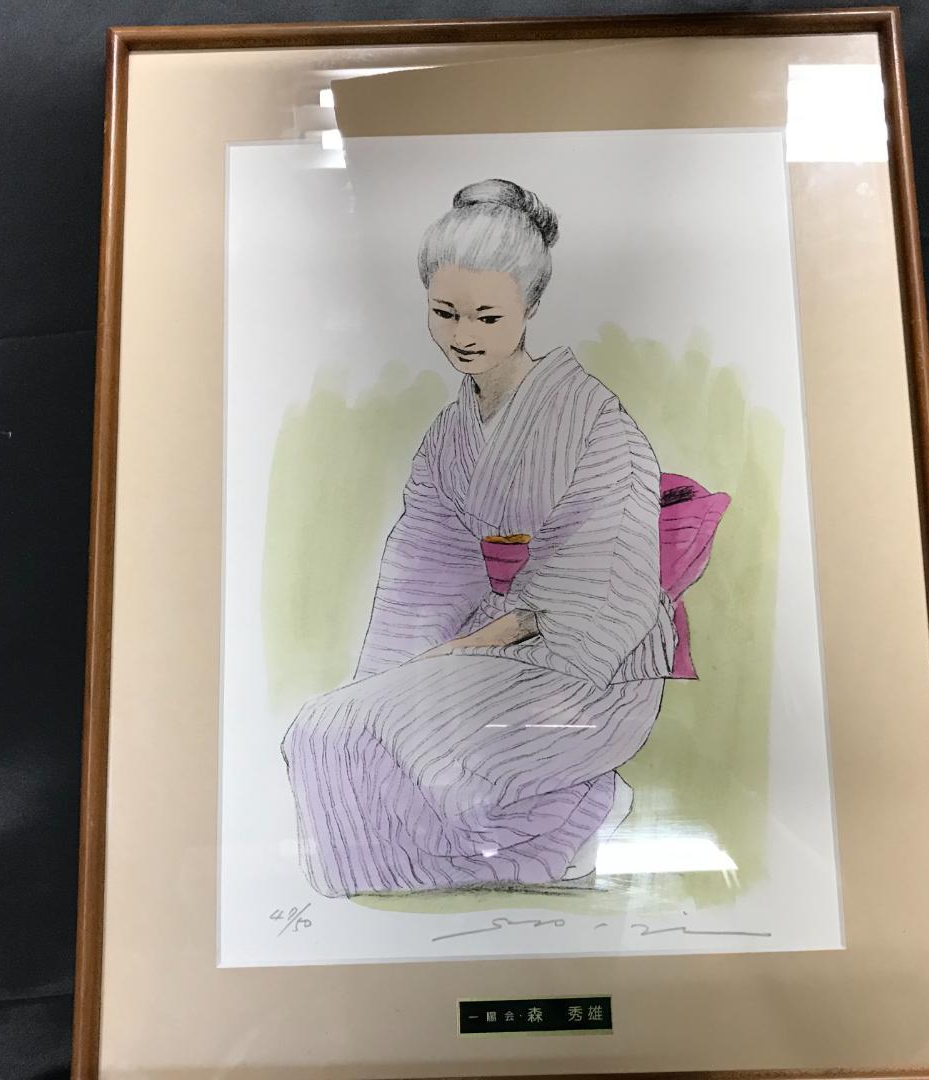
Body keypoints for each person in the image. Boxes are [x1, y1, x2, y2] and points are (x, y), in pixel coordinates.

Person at [282, 179, 675, 897]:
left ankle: (579, 808)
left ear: (530, 308)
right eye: (445, 313)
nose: (465, 334)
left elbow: (597, 585)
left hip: (589, 667)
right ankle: (561, 824)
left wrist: (457, 654)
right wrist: (395, 673)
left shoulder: (593, 421)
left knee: (398, 735)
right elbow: (420, 574)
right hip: (486, 654)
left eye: (488, 316)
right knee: (326, 729)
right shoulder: (447, 438)